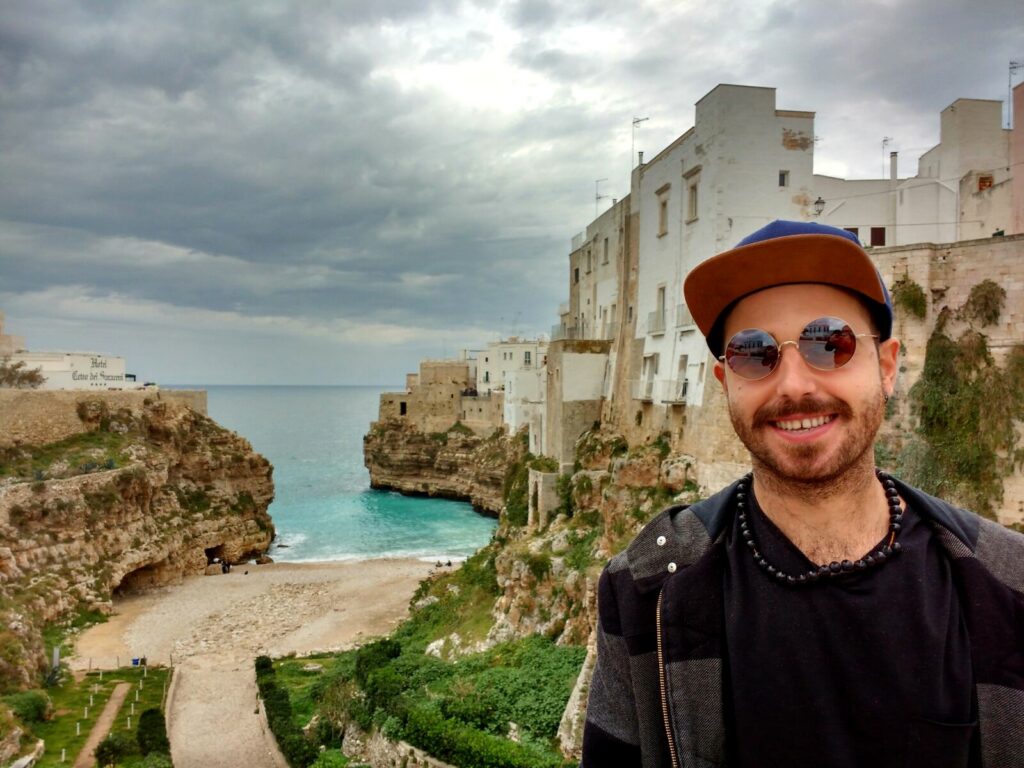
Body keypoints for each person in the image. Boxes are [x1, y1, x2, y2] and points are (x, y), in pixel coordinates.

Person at [580, 220, 1024, 768]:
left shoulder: (1008, 588)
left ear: (887, 367)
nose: (793, 385)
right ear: (726, 384)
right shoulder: (645, 590)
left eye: (830, 343)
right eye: (754, 353)